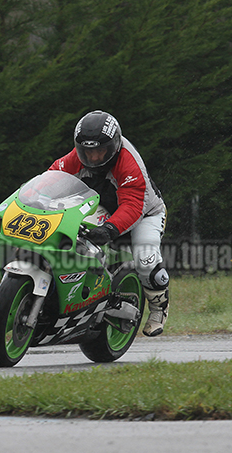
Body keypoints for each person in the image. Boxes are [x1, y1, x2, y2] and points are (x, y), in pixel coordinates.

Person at [49, 110, 170, 336]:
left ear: (114, 146)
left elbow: (133, 206)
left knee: (145, 259)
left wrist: (109, 230)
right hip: (102, 206)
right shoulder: (77, 156)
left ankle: (158, 308)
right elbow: (52, 177)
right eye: (87, 151)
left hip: (146, 213)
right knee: (72, 237)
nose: (93, 158)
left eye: (100, 151)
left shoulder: (129, 162)